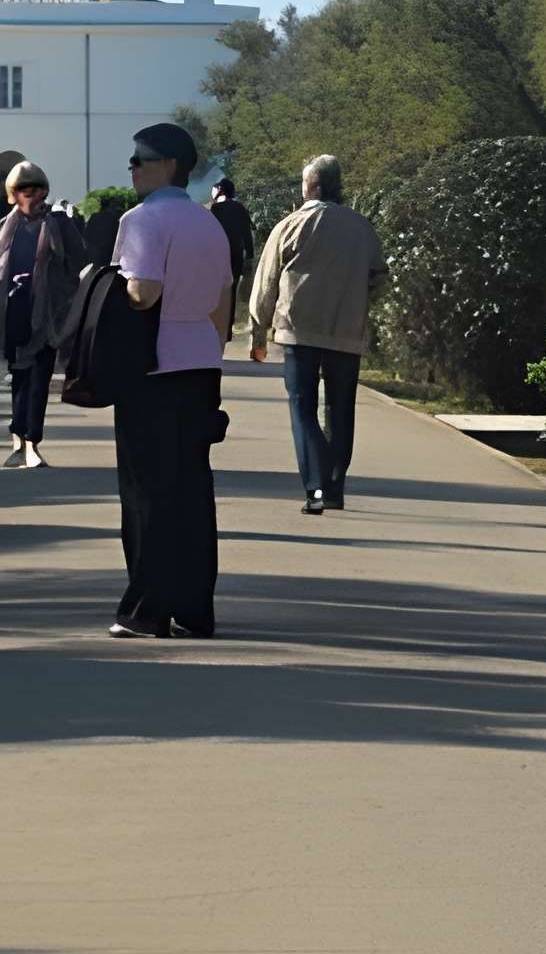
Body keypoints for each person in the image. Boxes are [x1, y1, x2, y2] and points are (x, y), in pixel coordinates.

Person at [108, 120, 233, 639]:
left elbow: (145, 294)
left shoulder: (142, 220)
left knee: (147, 491)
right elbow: (224, 302)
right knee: (191, 487)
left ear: (167, 166)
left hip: (154, 365)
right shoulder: (210, 223)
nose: (132, 168)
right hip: (201, 361)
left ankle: (147, 608)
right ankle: (194, 606)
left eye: (140, 159)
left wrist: (116, 284)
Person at [247, 154, 388, 515]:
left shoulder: (290, 225)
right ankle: (336, 487)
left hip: (298, 330)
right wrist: (358, 300)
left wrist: (258, 333)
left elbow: (266, 282)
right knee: (341, 410)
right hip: (346, 330)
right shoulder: (362, 228)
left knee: (303, 409)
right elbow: (380, 278)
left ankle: (316, 489)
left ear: (314, 186)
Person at [0, 158, 85, 467]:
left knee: (39, 379)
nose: (32, 195)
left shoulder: (59, 222)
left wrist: (50, 269)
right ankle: (17, 440)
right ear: (12, 193)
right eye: (24, 189)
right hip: (13, 311)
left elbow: (79, 259)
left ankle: (32, 441)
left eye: (37, 188)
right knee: (20, 379)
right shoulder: (5, 225)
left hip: (48, 313)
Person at [207, 174, 257, 307]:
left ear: (220, 191)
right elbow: (247, 233)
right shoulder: (239, 207)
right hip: (236, 254)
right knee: (232, 290)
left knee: (220, 290)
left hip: (219, 255)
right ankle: (229, 323)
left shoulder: (215, 209)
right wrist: (250, 256)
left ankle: (220, 323)